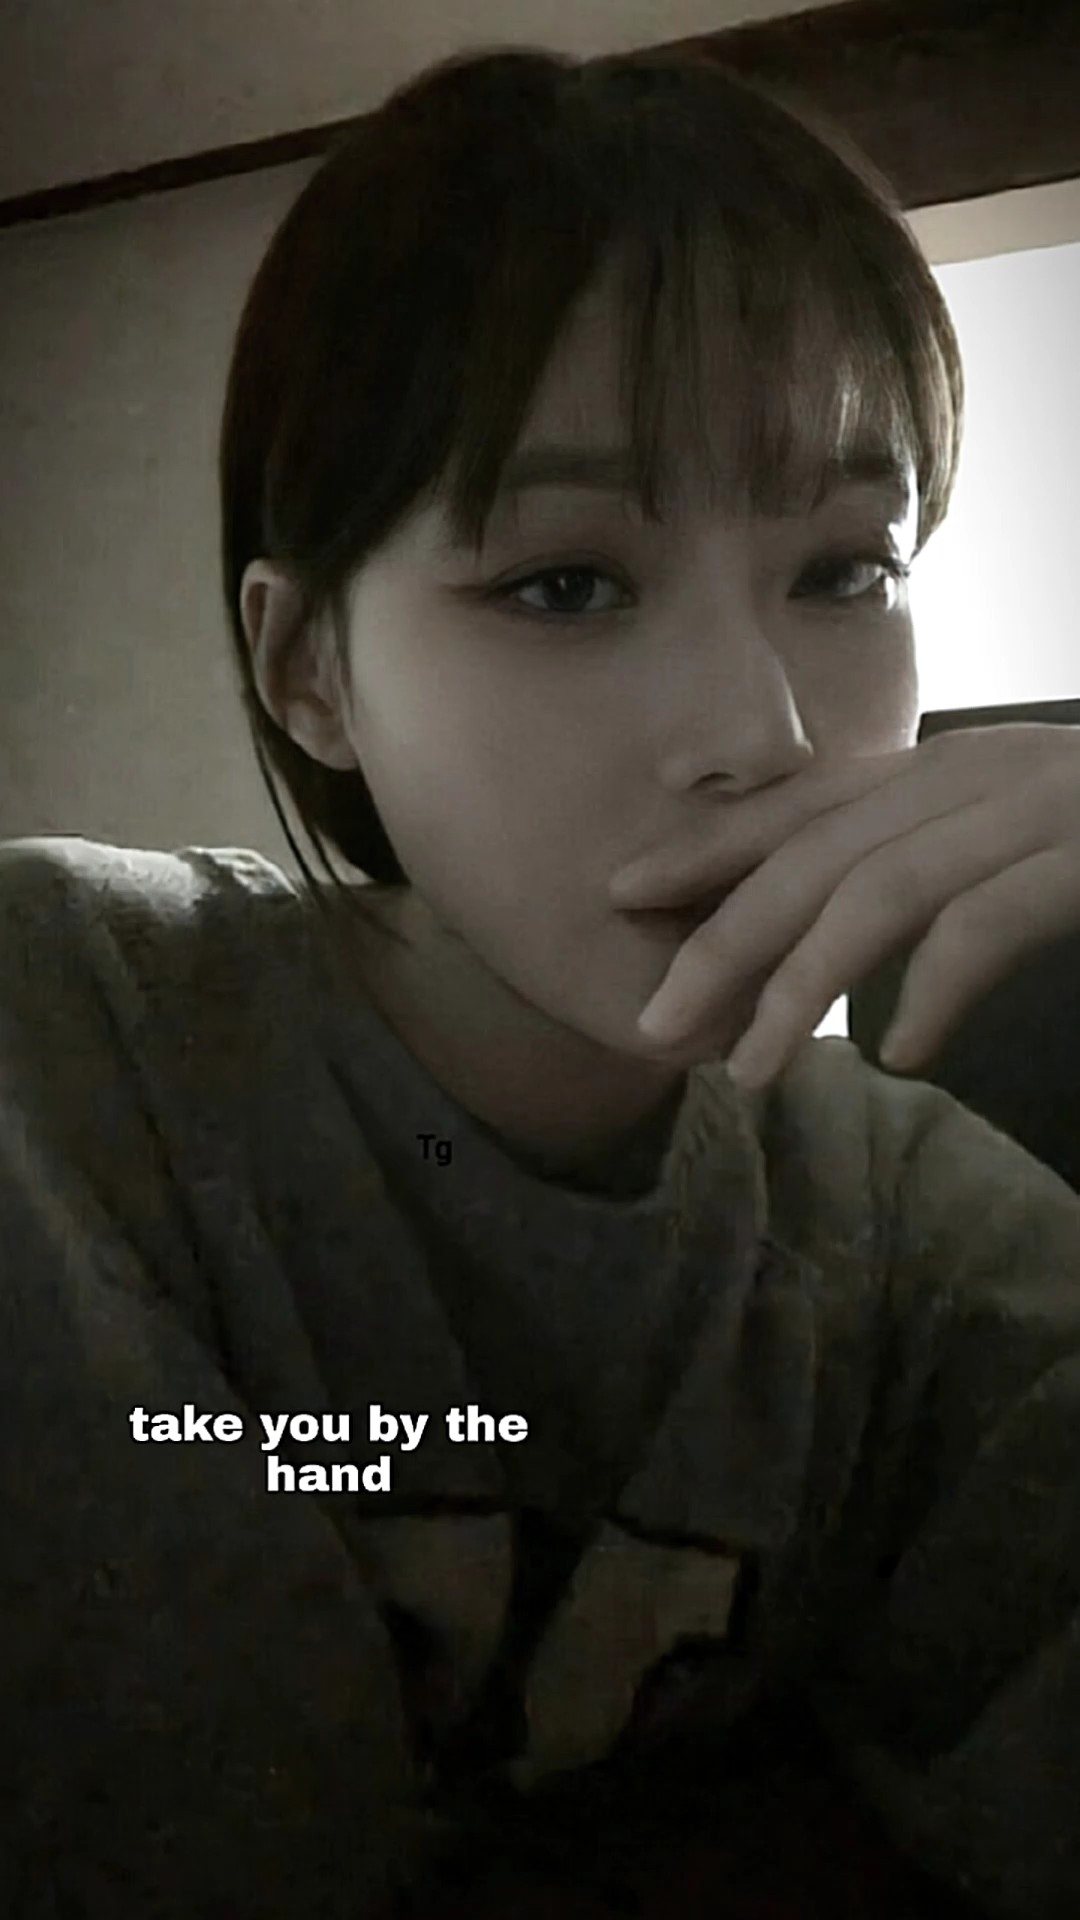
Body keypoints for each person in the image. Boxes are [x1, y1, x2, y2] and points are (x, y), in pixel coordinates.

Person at [2, 42, 1079, 1920]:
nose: (763, 734)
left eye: (846, 568)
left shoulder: (911, 1225)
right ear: (308, 669)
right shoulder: (65, 1046)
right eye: (568, 584)